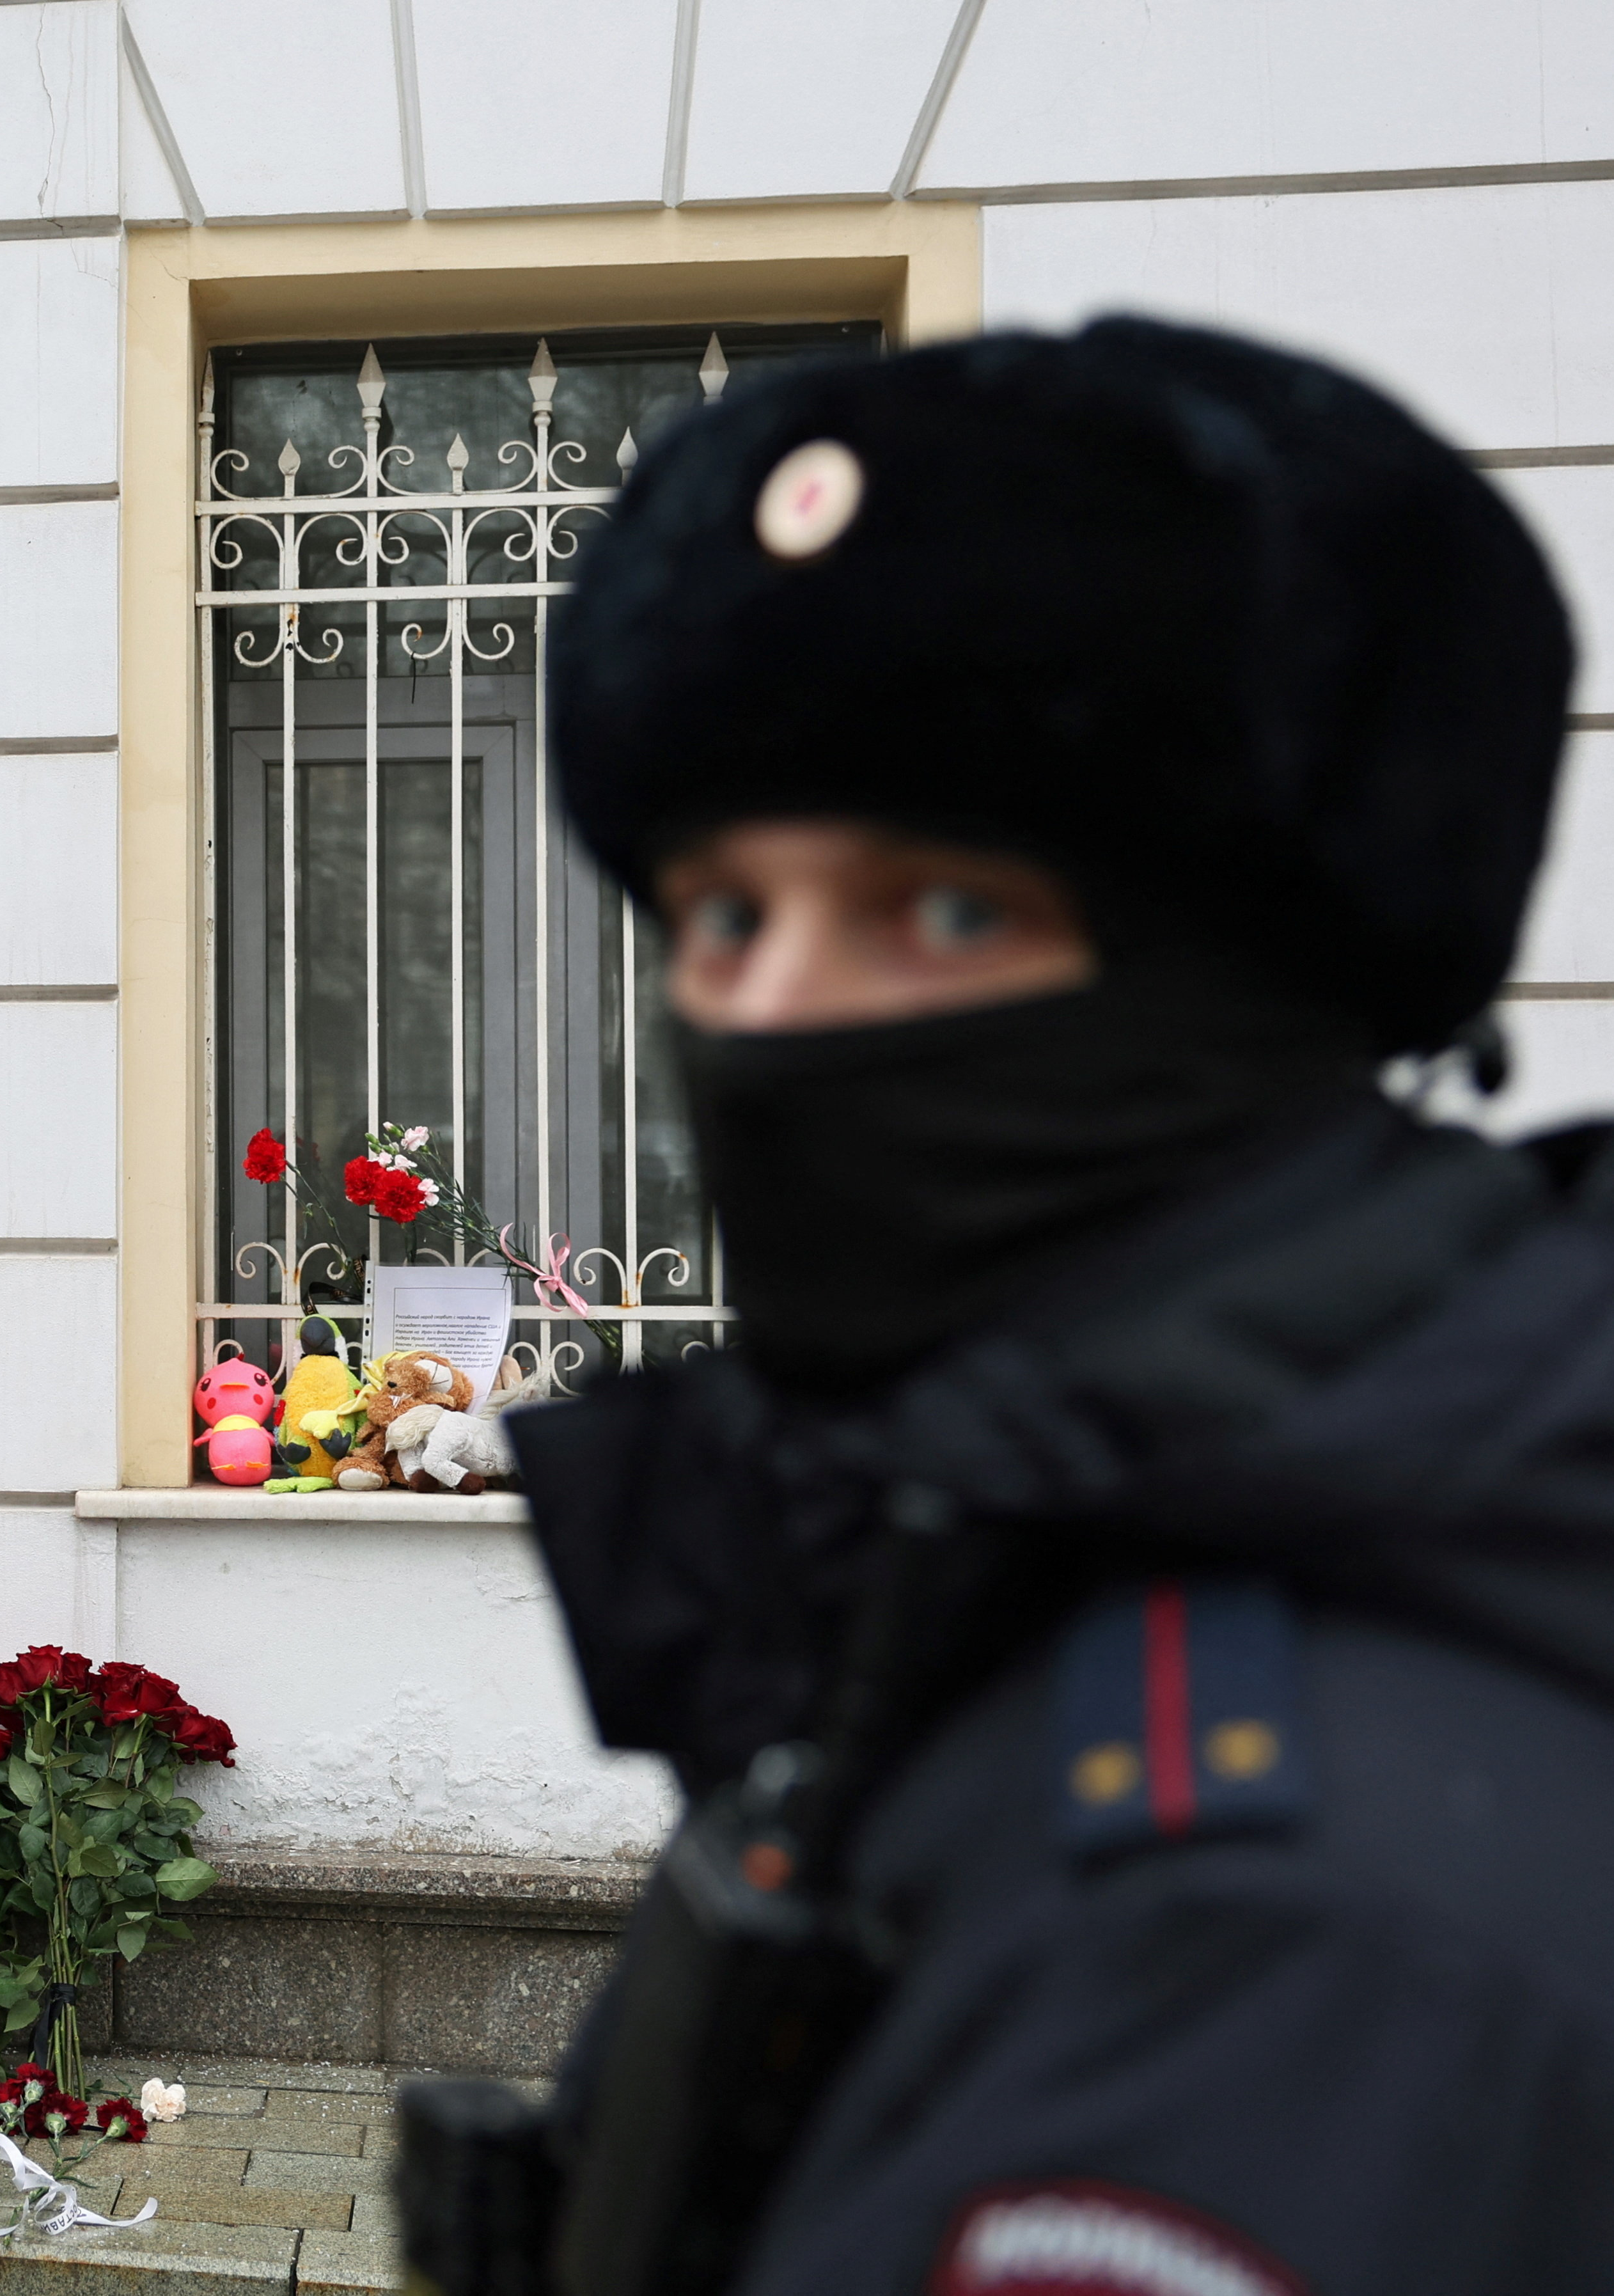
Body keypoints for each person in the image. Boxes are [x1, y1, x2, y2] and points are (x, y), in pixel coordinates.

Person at [462, 319, 1614, 2295]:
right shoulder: (1026, 1569)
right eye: (721, 910)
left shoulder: (1259, 1920)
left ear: (1252, 967)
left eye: (935, 906)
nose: (766, 1010)